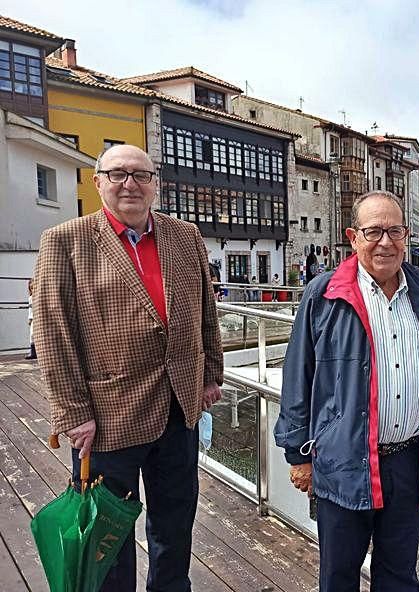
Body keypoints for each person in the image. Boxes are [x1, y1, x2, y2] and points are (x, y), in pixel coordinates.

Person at [33, 144, 223, 592]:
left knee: (174, 524)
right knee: (109, 533)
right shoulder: (66, 241)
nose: (130, 184)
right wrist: (73, 411)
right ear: (98, 182)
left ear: (155, 184)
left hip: (180, 408)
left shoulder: (185, 236)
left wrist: (210, 375)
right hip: (106, 416)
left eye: (141, 175)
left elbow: (204, 312)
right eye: (117, 174)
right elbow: (53, 332)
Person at [275, 190, 419, 592]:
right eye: (373, 231)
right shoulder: (325, 295)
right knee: (339, 577)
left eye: (394, 231)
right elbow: (298, 377)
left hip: (409, 462)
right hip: (344, 460)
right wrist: (297, 454)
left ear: (407, 235)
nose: (385, 242)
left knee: (399, 576)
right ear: (353, 236)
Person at [25, 278, 36, 360]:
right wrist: (30, 318)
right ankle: (33, 351)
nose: (33, 290)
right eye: (31, 288)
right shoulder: (30, 298)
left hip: (37, 317)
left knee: (35, 334)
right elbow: (30, 309)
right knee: (32, 334)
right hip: (33, 318)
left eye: (34, 288)